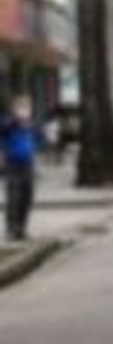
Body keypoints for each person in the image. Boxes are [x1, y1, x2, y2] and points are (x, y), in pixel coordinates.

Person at [3, 97, 39, 242]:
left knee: (27, 196)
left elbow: (37, 140)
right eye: (21, 108)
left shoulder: (31, 125)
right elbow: (6, 129)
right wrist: (16, 120)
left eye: (27, 108)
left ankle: (22, 228)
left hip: (28, 164)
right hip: (13, 164)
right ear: (15, 110)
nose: (25, 111)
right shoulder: (9, 124)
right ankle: (12, 229)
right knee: (14, 196)